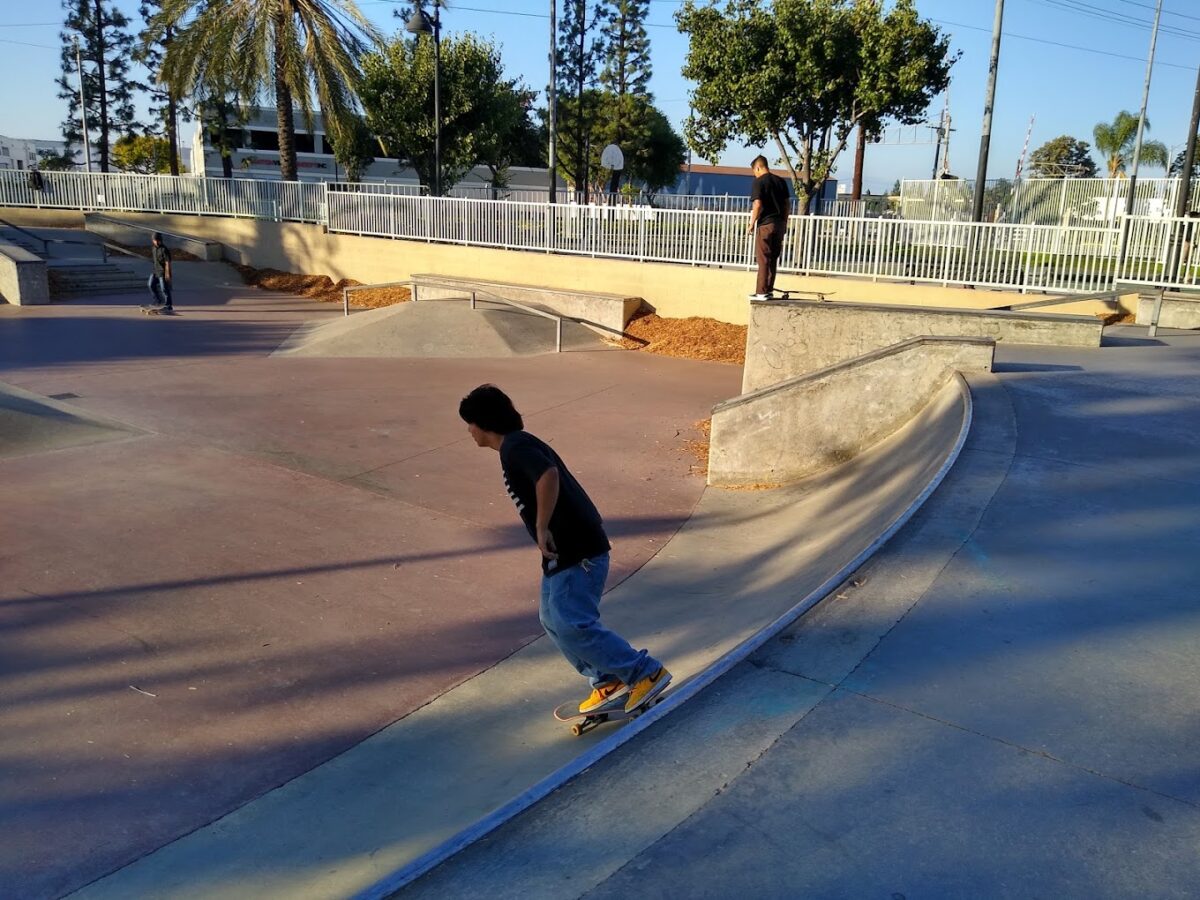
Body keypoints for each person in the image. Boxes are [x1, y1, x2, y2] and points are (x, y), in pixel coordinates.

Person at [459, 384, 671, 715]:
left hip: (578, 549)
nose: (468, 432)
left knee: (572, 622)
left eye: (469, 424)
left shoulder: (515, 448)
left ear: (483, 423)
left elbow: (547, 476)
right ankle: (607, 680)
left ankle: (644, 672)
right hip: (566, 551)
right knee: (552, 619)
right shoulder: (517, 445)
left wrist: (542, 526)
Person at [746, 155, 790, 300]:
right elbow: (786, 205)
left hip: (765, 224)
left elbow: (757, 204)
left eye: (755, 171)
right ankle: (768, 289)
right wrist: (784, 222)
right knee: (773, 258)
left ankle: (761, 292)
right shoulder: (781, 181)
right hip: (779, 224)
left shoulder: (758, 182)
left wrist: (752, 223)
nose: (755, 174)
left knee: (763, 258)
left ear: (757, 167)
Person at [147, 232, 173, 311]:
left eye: (158, 240)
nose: (156, 242)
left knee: (164, 289)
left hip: (163, 272)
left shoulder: (164, 249)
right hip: (155, 271)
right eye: (155, 240)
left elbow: (167, 262)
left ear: (160, 240)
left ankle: (168, 305)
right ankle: (158, 300)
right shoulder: (153, 248)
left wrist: (168, 274)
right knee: (150, 284)